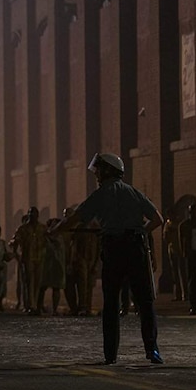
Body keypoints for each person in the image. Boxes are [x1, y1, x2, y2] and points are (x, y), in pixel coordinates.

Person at [52, 153, 164, 365]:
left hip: (114, 249)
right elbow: (157, 219)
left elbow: (76, 218)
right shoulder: (134, 192)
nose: (97, 175)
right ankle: (152, 349)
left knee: (111, 303)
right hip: (136, 248)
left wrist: (56, 230)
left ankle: (110, 354)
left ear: (107, 171)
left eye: (100, 171)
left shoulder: (101, 194)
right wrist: (141, 232)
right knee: (145, 302)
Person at [12, 207, 47, 315]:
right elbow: (14, 241)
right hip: (27, 258)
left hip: (39, 257)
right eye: (31, 214)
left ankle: (35, 304)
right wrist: (16, 254)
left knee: (37, 281)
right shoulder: (22, 229)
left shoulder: (42, 228)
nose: (33, 216)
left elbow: (48, 240)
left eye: (35, 214)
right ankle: (31, 305)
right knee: (29, 282)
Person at [39, 218, 65, 316]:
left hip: (57, 265)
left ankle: (55, 309)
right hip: (46, 264)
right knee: (42, 287)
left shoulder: (60, 237)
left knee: (56, 288)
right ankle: (39, 307)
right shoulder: (44, 237)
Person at [163, 215, 187, 302]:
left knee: (181, 273)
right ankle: (179, 294)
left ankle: (184, 294)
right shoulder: (168, 224)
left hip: (178, 250)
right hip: (173, 250)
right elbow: (166, 238)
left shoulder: (178, 224)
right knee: (176, 273)